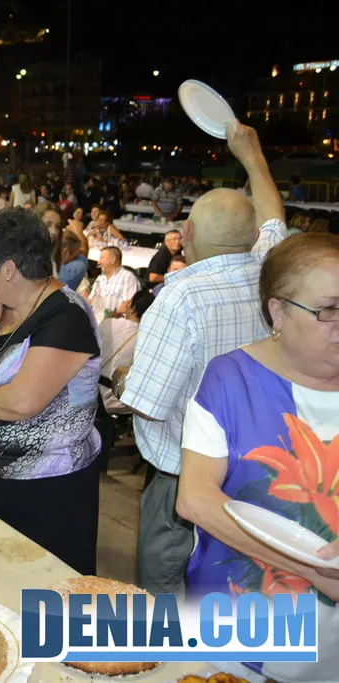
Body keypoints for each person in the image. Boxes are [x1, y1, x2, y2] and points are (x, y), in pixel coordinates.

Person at [118, 122, 288, 597]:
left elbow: (148, 401)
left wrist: (120, 376)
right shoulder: (272, 271)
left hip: (183, 481)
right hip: (257, 469)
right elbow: (275, 215)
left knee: (167, 587)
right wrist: (251, 155)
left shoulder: (181, 299)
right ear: (252, 235)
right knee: (237, 581)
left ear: (185, 231)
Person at [176, 233, 339, 682]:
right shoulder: (231, 379)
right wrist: (315, 570)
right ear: (278, 311)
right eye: (329, 310)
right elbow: (195, 499)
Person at [0, 209, 103, 574]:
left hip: (51, 488)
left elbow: (22, 401)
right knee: (3, 585)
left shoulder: (67, 315)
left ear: (8, 268)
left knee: (49, 597)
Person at [98, 290, 154, 414]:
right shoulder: (148, 339)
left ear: (133, 308)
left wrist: (117, 312)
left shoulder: (108, 323)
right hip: (118, 401)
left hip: (93, 393)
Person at [87, 246, 141, 313]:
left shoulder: (128, 277)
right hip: (97, 319)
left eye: (102, 258)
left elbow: (128, 304)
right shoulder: (100, 278)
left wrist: (110, 318)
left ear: (113, 260)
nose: (98, 262)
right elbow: (90, 300)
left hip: (117, 321)